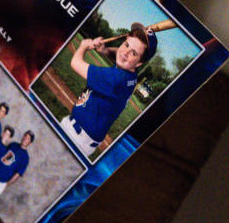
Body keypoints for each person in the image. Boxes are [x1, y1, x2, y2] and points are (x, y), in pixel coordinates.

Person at [59, 22, 157, 156]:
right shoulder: (130, 76)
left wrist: (84, 46)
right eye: (126, 44)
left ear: (139, 63)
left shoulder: (116, 78)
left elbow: (75, 63)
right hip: (82, 137)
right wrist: (105, 50)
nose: (125, 52)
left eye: (133, 53)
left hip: (76, 138)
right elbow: (121, 54)